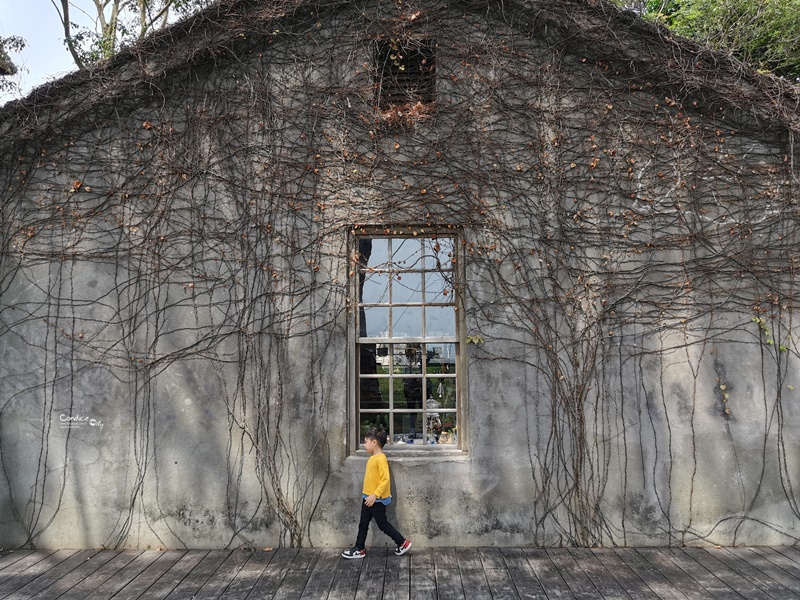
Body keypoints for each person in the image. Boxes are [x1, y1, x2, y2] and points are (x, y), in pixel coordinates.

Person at [341, 428, 412, 558]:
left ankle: (402, 542)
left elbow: (385, 480)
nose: (364, 444)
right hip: (368, 497)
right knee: (363, 523)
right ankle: (359, 548)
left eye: (365, 441)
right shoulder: (373, 457)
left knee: (383, 524)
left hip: (376, 499)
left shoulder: (381, 459)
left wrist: (375, 495)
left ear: (374, 442)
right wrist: (369, 495)